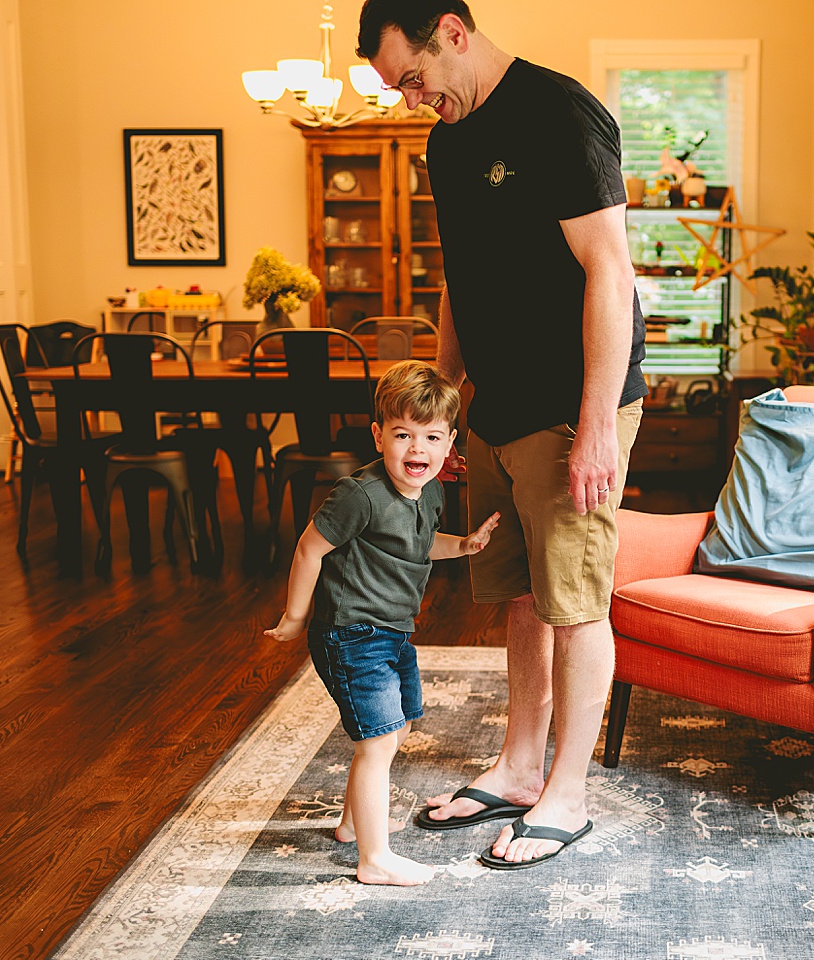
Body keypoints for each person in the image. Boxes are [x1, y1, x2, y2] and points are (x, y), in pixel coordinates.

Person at [358, 1, 649, 869]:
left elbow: (609, 268)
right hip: (493, 409)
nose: (413, 99)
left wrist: (597, 425)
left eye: (412, 78)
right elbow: (460, 277)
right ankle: (521, 766)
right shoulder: (446, 144)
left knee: (574, 601)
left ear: (452, 31)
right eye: (397, 90)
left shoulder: (559, 113)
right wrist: (444, 404)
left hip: (571, 405)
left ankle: (569, 791)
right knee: (519, 594)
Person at [264, 360, 500, 886]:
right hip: (349, 631)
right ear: (378, 435)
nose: (417, 449)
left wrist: (463, 545)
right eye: (402, 435)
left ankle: (353, 825)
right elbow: (308, 549)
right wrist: (294, 617)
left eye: (431, 437)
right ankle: (373, 859)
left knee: (398, 727)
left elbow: (418, 545)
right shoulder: (359, 495)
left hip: (393, 631)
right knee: (378, 739)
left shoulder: (432, 490)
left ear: (448, 443)